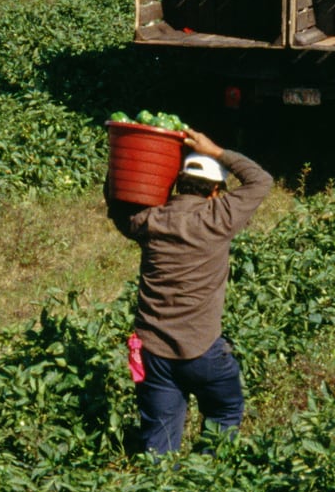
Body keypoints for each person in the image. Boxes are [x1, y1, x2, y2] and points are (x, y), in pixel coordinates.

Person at [106, 129, 272, 454]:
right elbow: (260, 180)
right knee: (225, 409)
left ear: (178, 185)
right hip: (202, 349)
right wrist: (217, 151)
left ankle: (159, 480)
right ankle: (205, 471)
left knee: (159, 441)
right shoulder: (218, 218)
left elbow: (116, 202)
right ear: (215, 191)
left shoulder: (151, 221)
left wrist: (122, 160)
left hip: (153, 351)